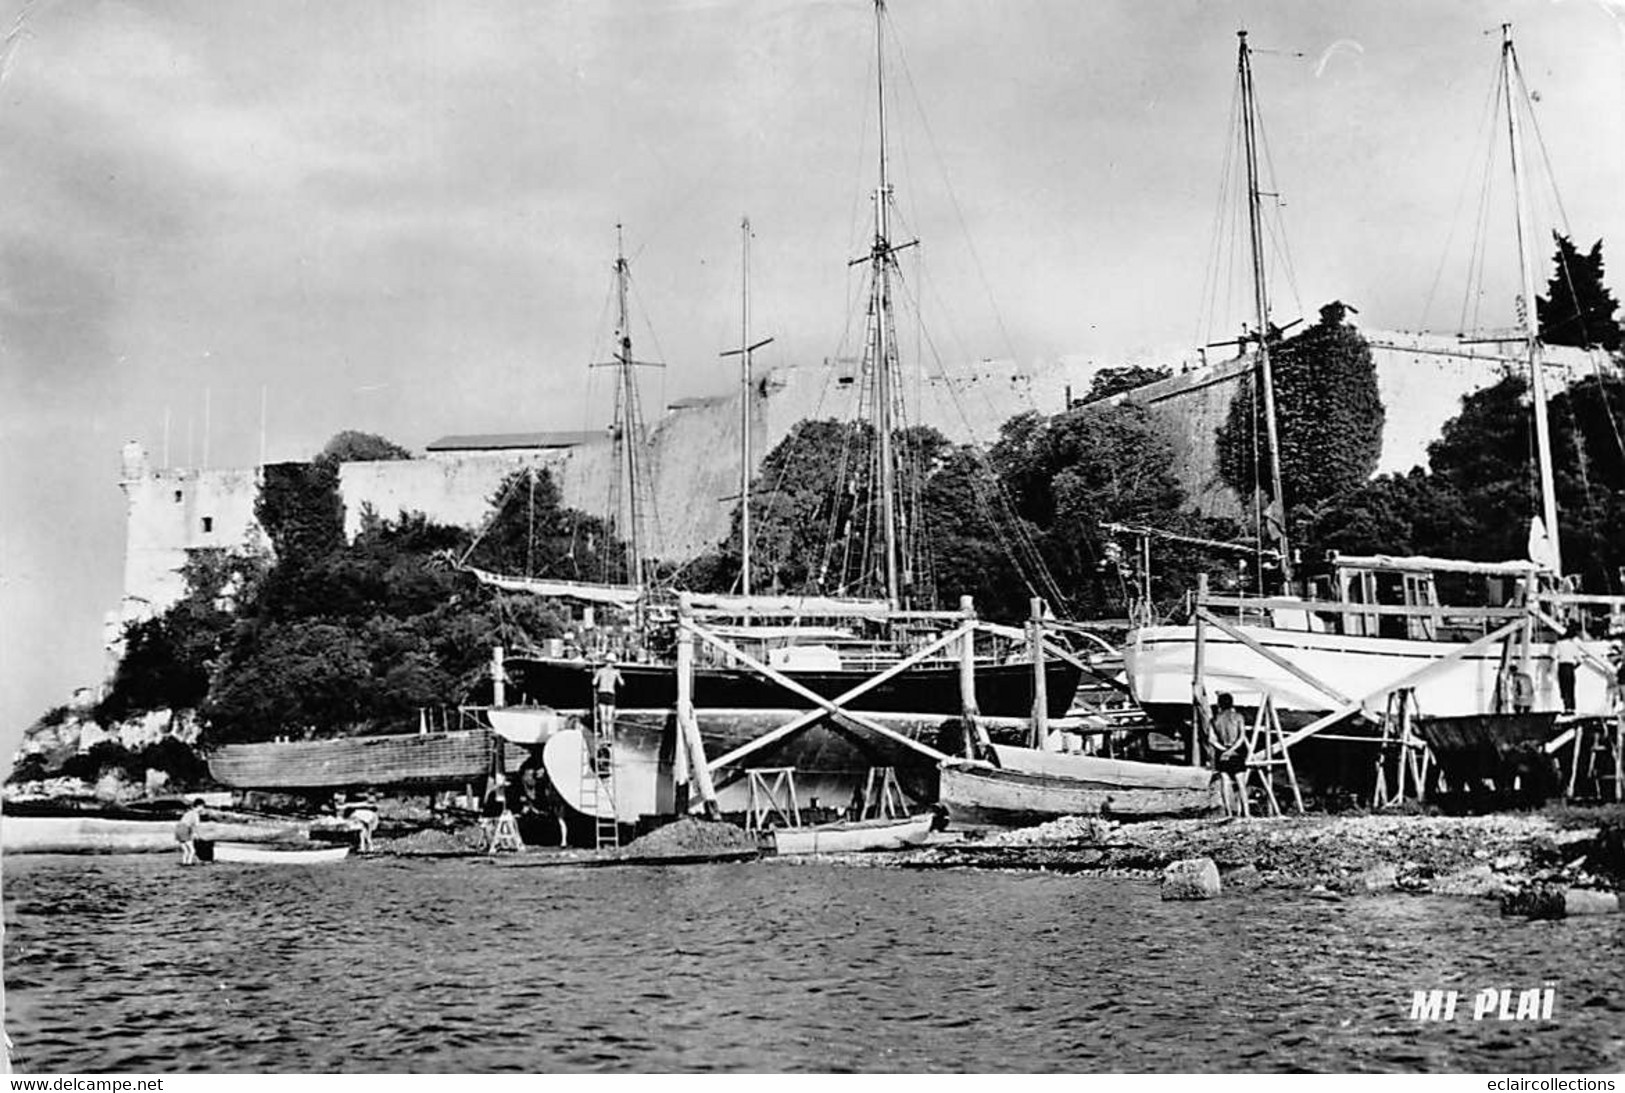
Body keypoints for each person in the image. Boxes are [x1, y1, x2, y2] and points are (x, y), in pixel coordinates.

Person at [1210, 693, 1250, 815]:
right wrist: (1231, 751)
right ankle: (1246, 813)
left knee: (1225, 783)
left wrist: (1223, 750)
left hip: (1221, 753)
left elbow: (1211, 740)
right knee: (1241, 784)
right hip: (1236, 752)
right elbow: (1241, 737)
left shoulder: (1214, 719)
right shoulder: (1238, 717)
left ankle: (1229, 812)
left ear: (1219, 704)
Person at [1553, 625, 1583, 714]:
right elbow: (1580, 660)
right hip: (1570, 667)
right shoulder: (1573, 645)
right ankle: (1572, 708)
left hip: (1562, 666)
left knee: (1564, 688)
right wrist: (1574, 668)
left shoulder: (1558, 644)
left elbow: (1554, 656)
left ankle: (1566, 707)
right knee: (1571, 688)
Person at [592, 656, 624, 732]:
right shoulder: (613, 671)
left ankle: (606, 737)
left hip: (605, 693)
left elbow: (594, 683)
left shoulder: (601, 671)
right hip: (607, 694)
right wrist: (618, 675)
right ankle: (606, 737)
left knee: (605, 718)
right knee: (606, 718)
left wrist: (595, 675)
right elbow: (622, 683)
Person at [174, 798, 204, 866]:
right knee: (192, 850)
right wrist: (196, 834)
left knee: (186, 850)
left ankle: (184, 862)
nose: (202, 809)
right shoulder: (196, 814)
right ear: (199, 806)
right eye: (202, 807)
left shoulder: (188, 812)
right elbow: (196, 826)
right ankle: (189, 863)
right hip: (185, 829)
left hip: (178, 829)